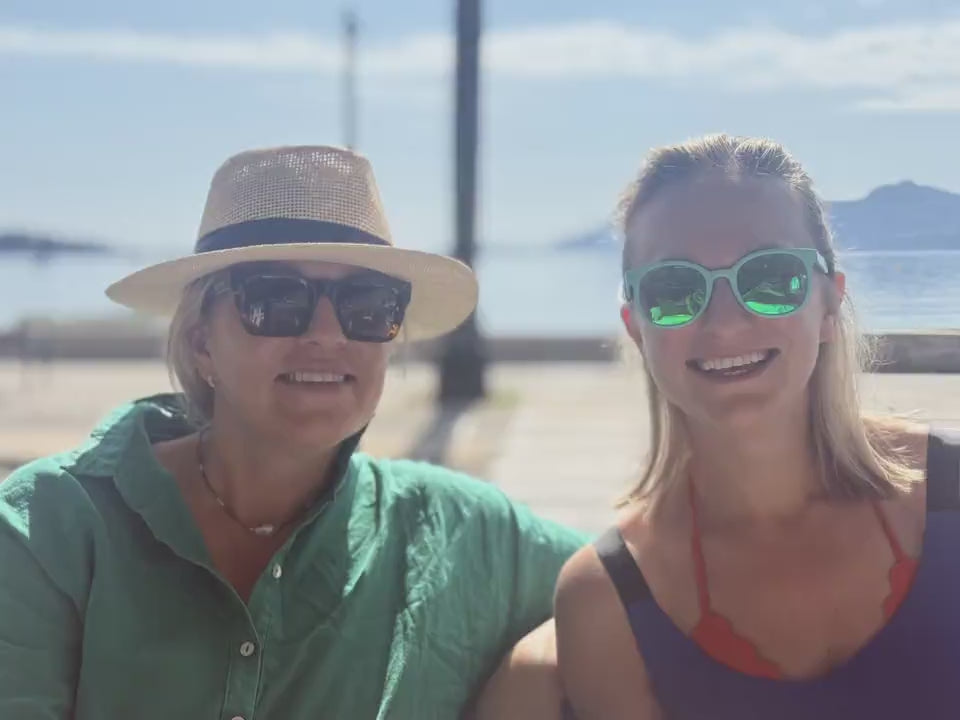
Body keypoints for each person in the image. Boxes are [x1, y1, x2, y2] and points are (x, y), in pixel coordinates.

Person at [0, 145, 588, 719]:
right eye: (276, 299)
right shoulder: (47, 530)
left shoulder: (463, 535)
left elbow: (636, 591)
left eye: (367, 304)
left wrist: (531, 670)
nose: (329, 334)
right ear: (203, 340)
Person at [554, 134, 960, 718]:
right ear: (637, 328)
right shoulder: (606, 600)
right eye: (675, 289)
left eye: (770, 277)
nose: (724, 322)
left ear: (828, 306)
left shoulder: (947, 495)